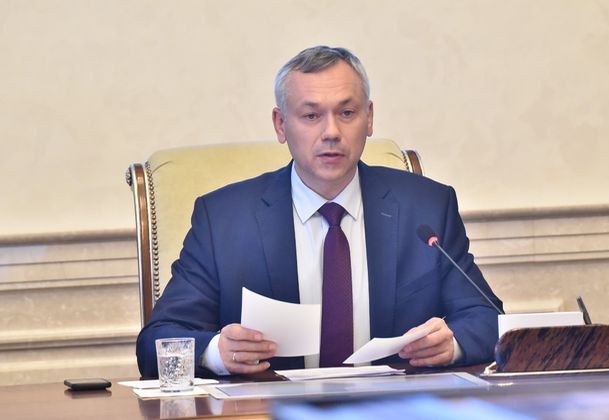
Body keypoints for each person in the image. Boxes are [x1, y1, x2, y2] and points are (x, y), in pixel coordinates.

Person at [136, 46, 502, 377]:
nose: (331, 132)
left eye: (347, 113)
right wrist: (217, 351)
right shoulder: (224, 219)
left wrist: (451, 343)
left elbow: (488, 319)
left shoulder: (426, 208)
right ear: (281, 124)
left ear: (369, 118)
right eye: (311, 116)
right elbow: (157, 342)